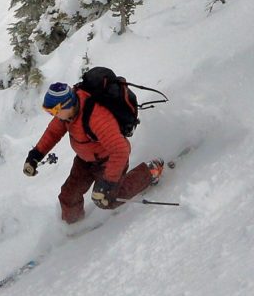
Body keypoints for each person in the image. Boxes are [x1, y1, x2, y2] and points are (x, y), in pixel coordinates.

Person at [23, 78, 163, 223]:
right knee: (68, 196)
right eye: (48, 111)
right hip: (84, 161)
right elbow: (52, 133)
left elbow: (120, 150)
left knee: (107, 199)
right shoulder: (66, 115)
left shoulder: (97, 118)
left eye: (53, 111)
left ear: (67, 104)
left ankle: (149, 172)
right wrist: (35, 156)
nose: (53, 115)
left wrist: (108, 183)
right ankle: (74, 226)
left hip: (109, 160)